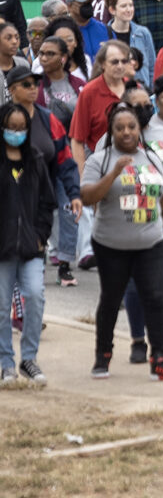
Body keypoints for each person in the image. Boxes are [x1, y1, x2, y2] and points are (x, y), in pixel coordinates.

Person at [79, 101, 163, 381]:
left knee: (154, 297)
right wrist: (113, 173)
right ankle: (103, 356)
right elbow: (88, 197)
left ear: (140, 129)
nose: (126, 132)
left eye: (131, 127)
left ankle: (159, 359)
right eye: (120, 128)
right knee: (111, 299)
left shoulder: (151, 158)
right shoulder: (99, 160)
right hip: (111, 245)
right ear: (111, 131)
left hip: (149, 243)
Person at [0, 100, 56, 384]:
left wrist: (40, 236)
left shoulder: (34, 160)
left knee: (35, 296)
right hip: (3, 250)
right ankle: (5, 362)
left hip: (31, 247)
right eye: (11, 128)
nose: (16, 132)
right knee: (1, 306)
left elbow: (47, 203)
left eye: (22, 128)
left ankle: (29, 359)